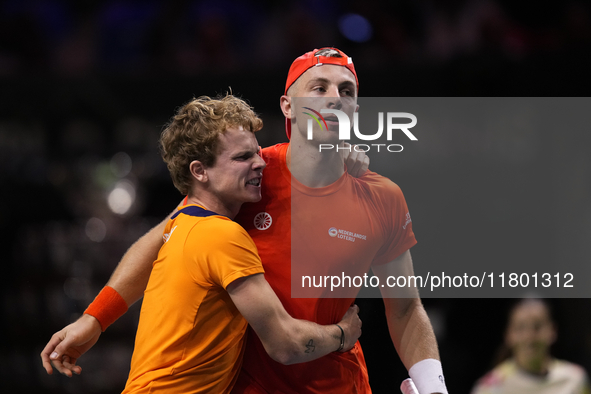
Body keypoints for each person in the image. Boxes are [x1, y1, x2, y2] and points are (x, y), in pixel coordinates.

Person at [42, 48, 448, 394]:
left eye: (346, 91)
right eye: (318, 87)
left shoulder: (381, 196)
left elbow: (406, 309)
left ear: (356, 109)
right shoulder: (249, 175)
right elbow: (164, 238)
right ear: (288, 106)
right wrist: (94, 319)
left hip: (339, 383)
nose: (334, 99)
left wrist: (435, 387)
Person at [471, 298, 591, 394]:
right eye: (521, 328)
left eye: (537, 326)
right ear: (508, 335)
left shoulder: (575, 379)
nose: (529, 336)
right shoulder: (489, 388)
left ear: (553, 331)